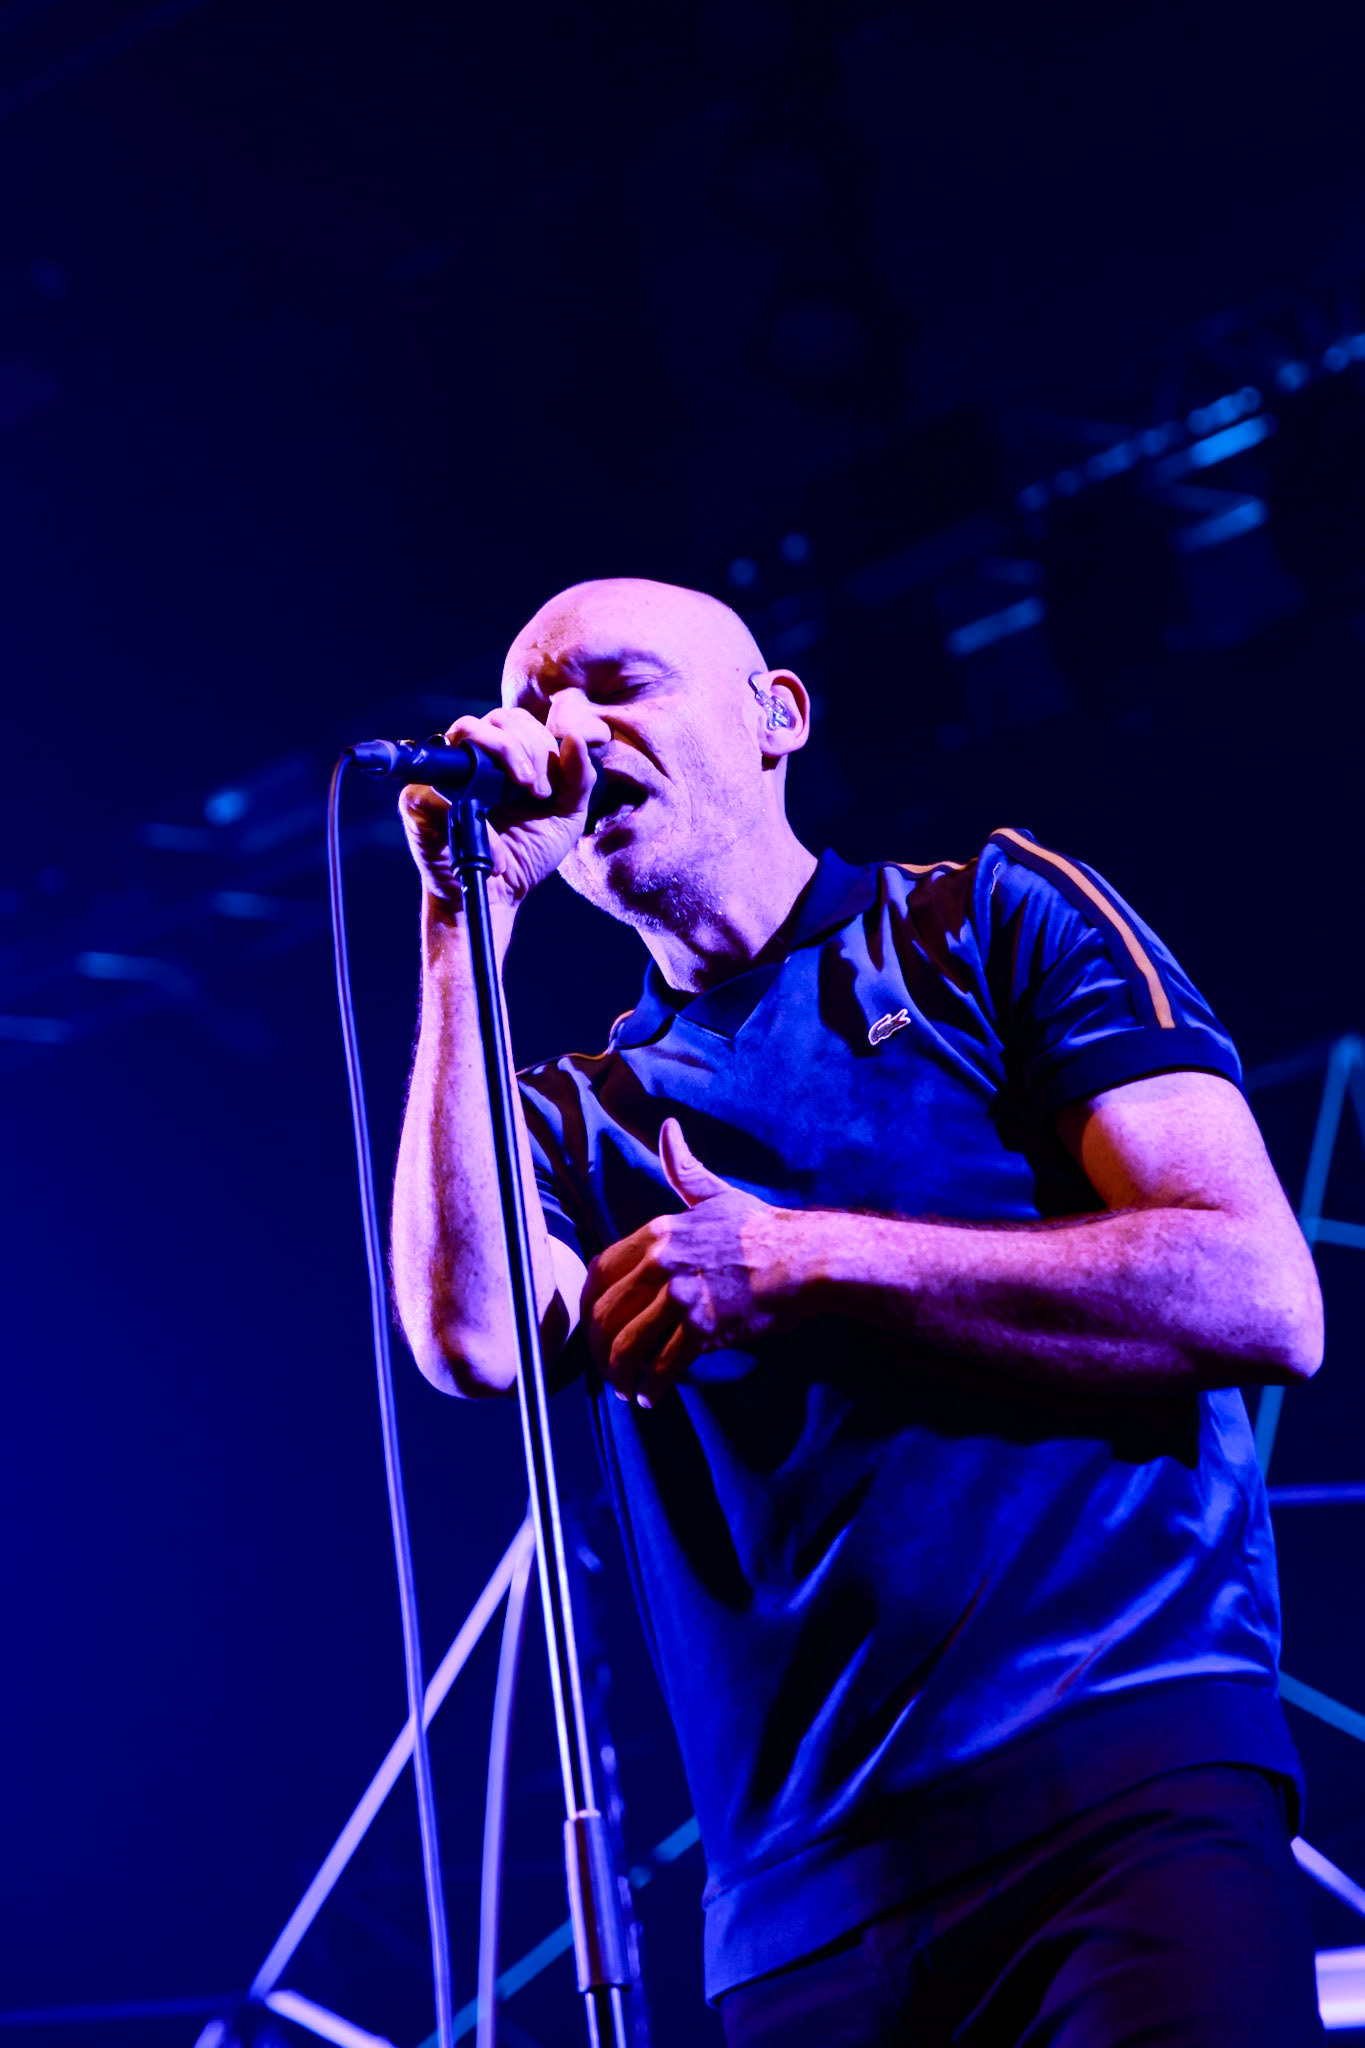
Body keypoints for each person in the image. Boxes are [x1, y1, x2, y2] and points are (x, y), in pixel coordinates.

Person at [391, 576, 1325, 2046]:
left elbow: (1258, 1292)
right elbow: (475, 1340)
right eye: (538, 702)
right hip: (799, 1917)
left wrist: (810, 1259)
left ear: (777, 719)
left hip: (1119, 1787)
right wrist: (463, 922)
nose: (566, 732)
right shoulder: (574, 1114)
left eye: (617, 685)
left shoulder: (986, 918)